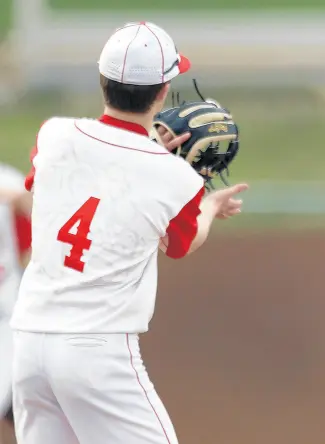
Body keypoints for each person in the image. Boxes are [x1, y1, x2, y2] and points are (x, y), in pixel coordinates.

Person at [9, 21, 247, 444]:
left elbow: (55, 188)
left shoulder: (54, 135)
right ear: (162, 91)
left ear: (103, 80)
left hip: (28, 346)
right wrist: (208, 205)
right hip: (96, 351)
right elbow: (180, 244)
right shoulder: (174, 178)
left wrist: (149, 159)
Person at [0, 164, 32, 444]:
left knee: (32, 411)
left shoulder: (7, 180)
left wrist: (19, 198)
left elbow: (41, 219)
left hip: (9, 320)